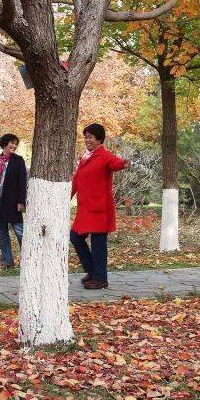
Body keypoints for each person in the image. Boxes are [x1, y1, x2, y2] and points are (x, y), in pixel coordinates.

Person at [70, 123, 129, 290]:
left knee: (98, 244)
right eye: (86, 137)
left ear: (99, 139)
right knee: (75, 237)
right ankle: (93, 272)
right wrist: (66, 196)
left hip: (99, 209)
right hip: (85, 209)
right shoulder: (85, 157)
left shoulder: (105, 156)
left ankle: (100, 279)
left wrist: (123, 164)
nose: (87, 140)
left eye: (90, 137)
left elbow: (115, 163)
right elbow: (77, 180)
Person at [0, 133, 27, 268]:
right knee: (2, 232)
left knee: (19, 230)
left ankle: (29, 259)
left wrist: (21, 201)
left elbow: (22, 182)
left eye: (16, 144)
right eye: (12, 143)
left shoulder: (18, 160)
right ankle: (7, 261)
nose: (14, 146)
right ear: (5, 144)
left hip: (12, 201)